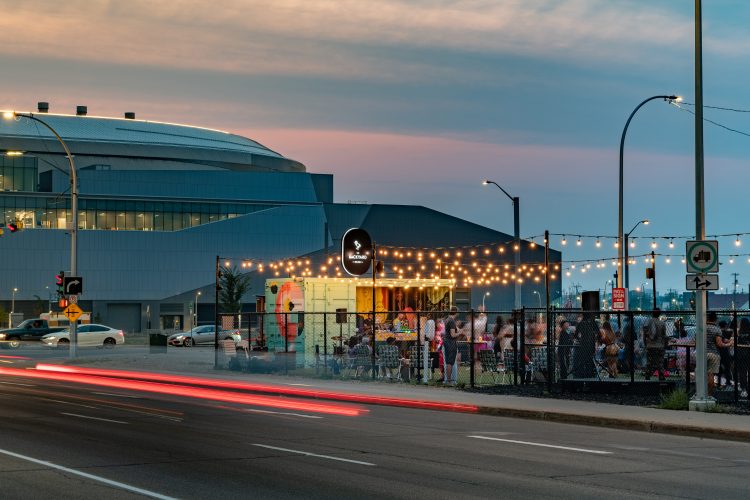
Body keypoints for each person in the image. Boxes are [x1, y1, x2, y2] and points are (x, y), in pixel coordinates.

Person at [642, 308, 667, 381]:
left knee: (649, 362)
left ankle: (647, 376)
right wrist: (664, 344)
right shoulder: (662, 323)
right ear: (659, 314)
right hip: (659, 345)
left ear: (652, 313)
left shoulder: (647, 322)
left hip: (650, 345)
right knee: (660, 361)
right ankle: (661, 376)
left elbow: (644, 335)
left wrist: (645, 343)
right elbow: (664, 336)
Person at [572, 312, 597, 378]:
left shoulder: (581, 324)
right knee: (589, 362)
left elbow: (575, 336)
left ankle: (582, 376)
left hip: (583, 346)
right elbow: (598, 334)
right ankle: (589, 376)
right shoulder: (592, 323)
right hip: (590, 346)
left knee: (582, 362)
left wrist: (579, 338)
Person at [706, 311, 723, 396]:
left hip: (701, 354)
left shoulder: (701, 328)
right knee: (711, 375)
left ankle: (700, 394)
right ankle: (709, 395)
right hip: (714, 354)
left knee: (702, 374)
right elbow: (719, 344)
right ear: (716, 319)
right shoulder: (717, 329)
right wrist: (728, 344)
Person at [442, 307, 460, 386]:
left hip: (446, 342)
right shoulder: (452, 321)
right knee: (450, 362)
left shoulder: (447, 319)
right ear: (455, 313)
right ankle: (449, 381)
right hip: (451, 343)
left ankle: (448, 380)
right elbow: (453, 335)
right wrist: (460, 332)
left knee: (448, 362)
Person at [736, 317, 750, 397]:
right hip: (748, 353)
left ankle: (743, 389)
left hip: (741, 354)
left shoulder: (739, 332)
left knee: (742, 372)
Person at [718, 320, 734, 387]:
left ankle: (719, 381)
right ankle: (728, 382)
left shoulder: (718, 331)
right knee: (727, 367)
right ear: (725, 326)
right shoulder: (723, 332)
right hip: (724, 351)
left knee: (719, 368)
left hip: (718, 352)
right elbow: (724, 340)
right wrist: (731, 341)